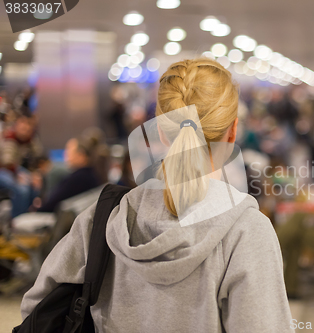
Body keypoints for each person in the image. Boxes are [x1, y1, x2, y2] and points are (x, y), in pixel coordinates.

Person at [20, 58, 293, 332]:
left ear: (161, 132)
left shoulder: (103, 219)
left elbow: (38, 312)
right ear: (233, 132)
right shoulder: (246, 231)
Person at [36, 137, 100, 213]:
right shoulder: (91, 175)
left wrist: (37, 208)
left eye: (69, 150)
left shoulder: (78, 179)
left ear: (81, 155)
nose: (65, 154)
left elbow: (52, 204)